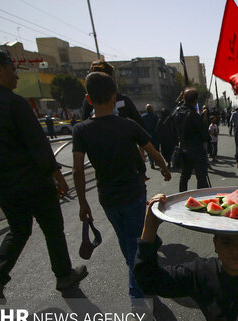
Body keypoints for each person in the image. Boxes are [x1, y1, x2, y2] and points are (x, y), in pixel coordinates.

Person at [0, 47, 87, 299]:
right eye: (13, 68)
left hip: (0, 184)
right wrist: (57, 176)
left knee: (18, 229)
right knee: (52, 227)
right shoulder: (14, 102)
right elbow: (37, 144)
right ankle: (63, 274)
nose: (16, 75)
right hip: (33, 180)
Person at [72, 72, 170, 299]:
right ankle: (138, 295)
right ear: (114, 97)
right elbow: (153, 151)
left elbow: (77, 170)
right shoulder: (128, 125)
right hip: (134, 194)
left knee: (127, 242)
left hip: (107, 198)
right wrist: (164, 169)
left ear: (88, 99)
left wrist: (82, 203)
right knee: (135, 244)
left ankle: (139, 266)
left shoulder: (81, 130)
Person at [81, 60, 149, 180]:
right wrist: (142, 151)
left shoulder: (88, 105)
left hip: (105, 167)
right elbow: (140, 127)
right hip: (130, 165)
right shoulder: (123, 101)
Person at [171, 87, 210, 192]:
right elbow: (205, 135)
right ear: (195, 101)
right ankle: (202, 198)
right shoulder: (194, 115)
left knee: (184, 177)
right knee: (201, 178)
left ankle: (182, 197)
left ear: (184, 98)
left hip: (183, 149)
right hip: (197, 151)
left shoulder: (177, 112)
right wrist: (204, 119)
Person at [141, 104, 159, 169]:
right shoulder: (155, 116)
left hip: (146, 134)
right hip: (154, 134)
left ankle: (151, 162)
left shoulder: (142, 117)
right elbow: (157, 125)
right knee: (156, 148)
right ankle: (156, 161)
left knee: (149, 150)